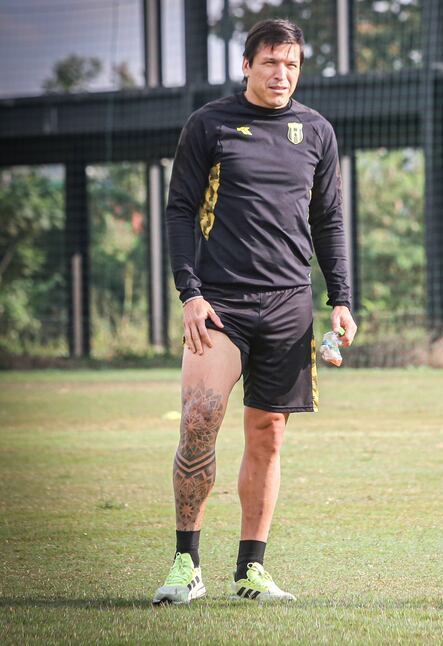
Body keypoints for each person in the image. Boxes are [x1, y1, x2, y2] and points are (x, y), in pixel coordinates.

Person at [152, 18, 357, 606]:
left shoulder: (316, 131)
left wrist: (340, 298)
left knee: (267, 436)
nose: (281, 74)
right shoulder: (208, 125)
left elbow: (330, 222)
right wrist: (189, 291)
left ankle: (251, 570)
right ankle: (186, 563)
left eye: (291, 64)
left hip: (289, 305)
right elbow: (179, 212)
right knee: (198, 421)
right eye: (270, 62)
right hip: (220, 305)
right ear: (246, 66)